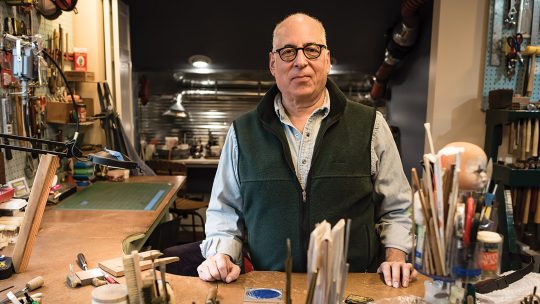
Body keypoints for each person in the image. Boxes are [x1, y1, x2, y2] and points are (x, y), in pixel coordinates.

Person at [165, 12, 416, 288]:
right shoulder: (242, 133)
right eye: (288, 52)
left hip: (353, 287)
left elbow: (397, 208)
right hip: (268, 287)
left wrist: (395, 256)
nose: (300, 61)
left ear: (327, 59)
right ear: (273, 63)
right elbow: (225, 212)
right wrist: (221, 255)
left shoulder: (370, 126)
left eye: (311, 49)